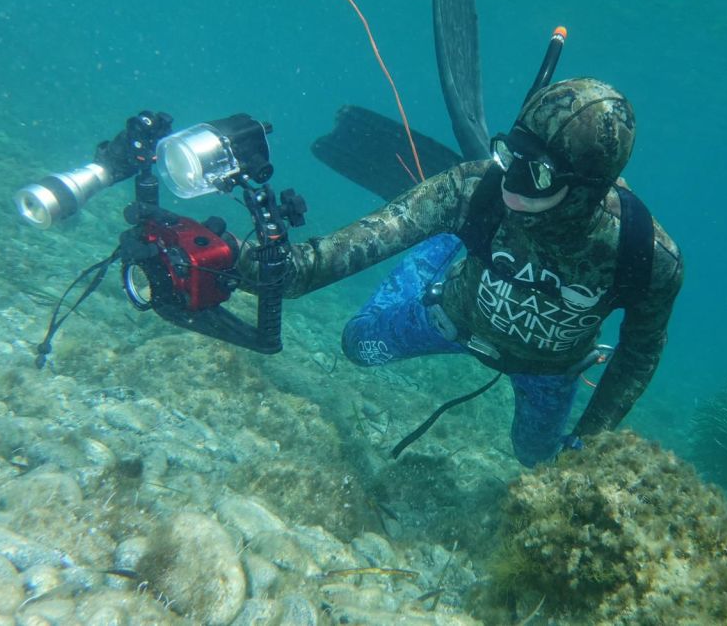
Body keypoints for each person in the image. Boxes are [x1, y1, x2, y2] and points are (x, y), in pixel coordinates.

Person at [240, 77, 683, 466]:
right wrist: (272, 267)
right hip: (451, 319)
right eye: (512, 155)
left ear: (587, 188)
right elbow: (368, 237)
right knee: (358, 345)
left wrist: (592, 438)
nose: (512, 183)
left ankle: (448, 233)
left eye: (540, 174)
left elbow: (639, 354)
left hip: (549, 371)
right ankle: (443, 238)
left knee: (537, 460)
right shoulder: (479, 187)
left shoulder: (645, 255)